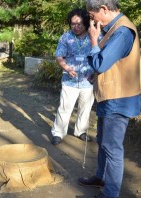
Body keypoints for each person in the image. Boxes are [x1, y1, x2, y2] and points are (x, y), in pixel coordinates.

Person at [77, 1, 141, 198]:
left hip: (119, 99)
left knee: (112, 148)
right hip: (111, 95)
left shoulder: (123, 31)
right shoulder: (114, 29)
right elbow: (112, 63)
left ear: (104, 9)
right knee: (103, 141)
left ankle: (110, 193)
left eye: (92, 15)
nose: (91, 20)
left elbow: (100, 63)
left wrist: (93, 40)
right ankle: (101, 177)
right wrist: (96, 75)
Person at [50, 8, 95, 145]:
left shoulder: (93, 36)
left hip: (88, 81)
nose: (75, 27)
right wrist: (67, 68)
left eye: (78, 24)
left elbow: (100, 55)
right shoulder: (66, 37)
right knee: (64, 108)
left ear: (85, 23)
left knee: (85, 108)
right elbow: (59, 56)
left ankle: (80, 131)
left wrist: (97, 73)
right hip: (69, 80)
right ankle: (58, 132)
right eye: (72, 24)